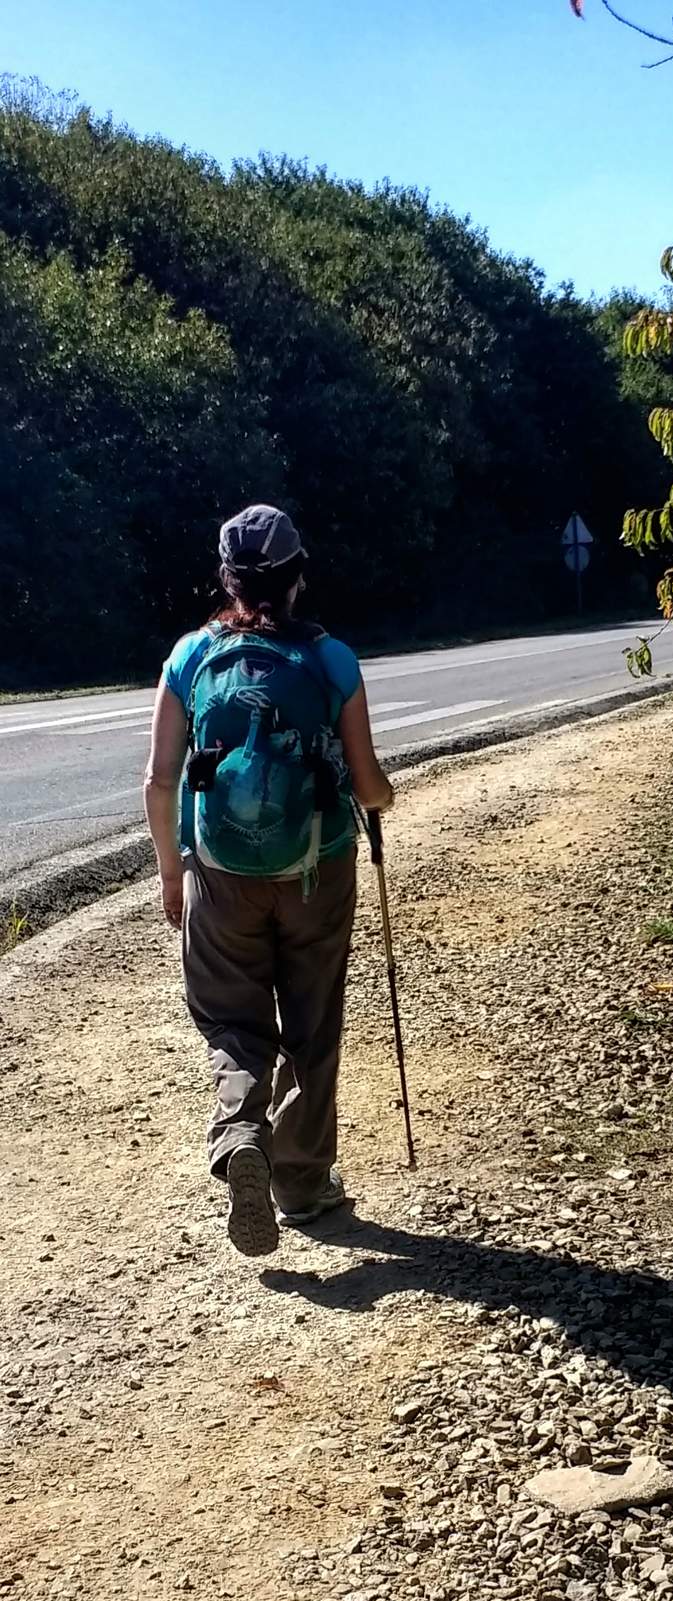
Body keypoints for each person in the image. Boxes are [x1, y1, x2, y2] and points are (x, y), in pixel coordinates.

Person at [143, 505, 395, 1257]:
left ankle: (239, 1135)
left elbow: (159, 781)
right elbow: (368, 783)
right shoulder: (332, 660)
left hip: (219, 874)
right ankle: (303, 1186)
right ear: (297, 577)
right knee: (313, 1025)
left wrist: (170, 873)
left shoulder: (189, 657)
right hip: (318, 868)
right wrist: (383, 800)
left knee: (232, 1019)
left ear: (226, 578)